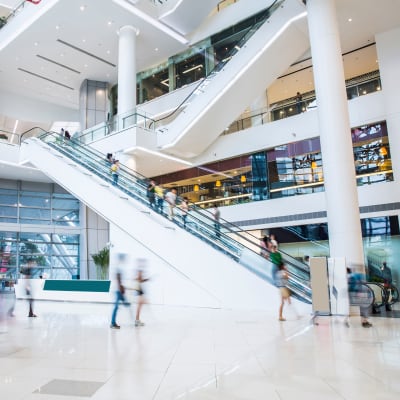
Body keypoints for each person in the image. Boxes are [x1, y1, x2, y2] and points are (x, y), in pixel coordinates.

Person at [110, 253, 127, 329]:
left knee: (126, 305)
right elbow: (118, 280)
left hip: (118, 290)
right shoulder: (118, 267)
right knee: (116, 307)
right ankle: (113, 323)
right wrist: (121, 289)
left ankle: (134, 319)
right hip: (118, 291)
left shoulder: (118, 267)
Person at [133, 258, 149, 327]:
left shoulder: (139, 270)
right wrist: (145, 279)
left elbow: (138, 279)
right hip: (139, 290)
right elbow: (139, 279)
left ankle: (137, 320)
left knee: (140, 305)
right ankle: (137, 321)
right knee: (140, 306)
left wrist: (145, 280)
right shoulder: (139, 270)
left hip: (139, 290)